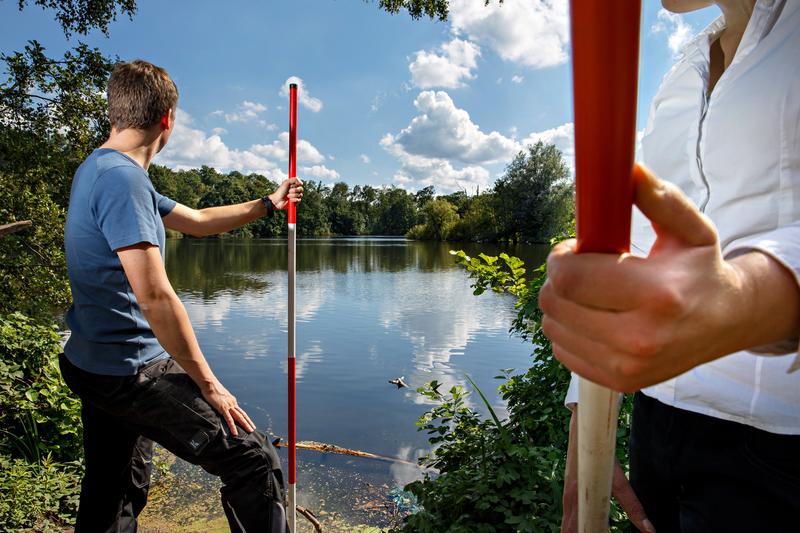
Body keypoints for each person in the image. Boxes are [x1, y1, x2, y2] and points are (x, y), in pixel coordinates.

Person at [540, 1, 800, 532]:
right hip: (657, 422)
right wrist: (586, 417)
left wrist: (743, 301)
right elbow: (633, 252)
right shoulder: (683, 70)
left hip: (777, 441)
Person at [60, 59, 303, 532]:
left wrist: (267, 205)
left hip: (94, 365)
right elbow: (155, 296)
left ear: (116, 112)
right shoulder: (122, 180)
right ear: (167, 119)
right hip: (132, 371)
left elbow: (197, 221)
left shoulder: (102, 169)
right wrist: (210, 386)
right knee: (252, 458)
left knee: (114, 490)